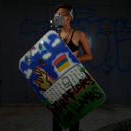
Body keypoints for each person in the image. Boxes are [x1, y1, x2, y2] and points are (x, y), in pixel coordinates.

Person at [52, 3, 93, 131]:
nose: (57, 17)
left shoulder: (79, 34)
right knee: (57, 112)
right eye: (56, 15)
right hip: (57, 77)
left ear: (69, 17)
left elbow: (89, 56)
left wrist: (72, 60)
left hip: (73, 76)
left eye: (61, 14)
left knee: (74, 111)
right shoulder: (53, 34)